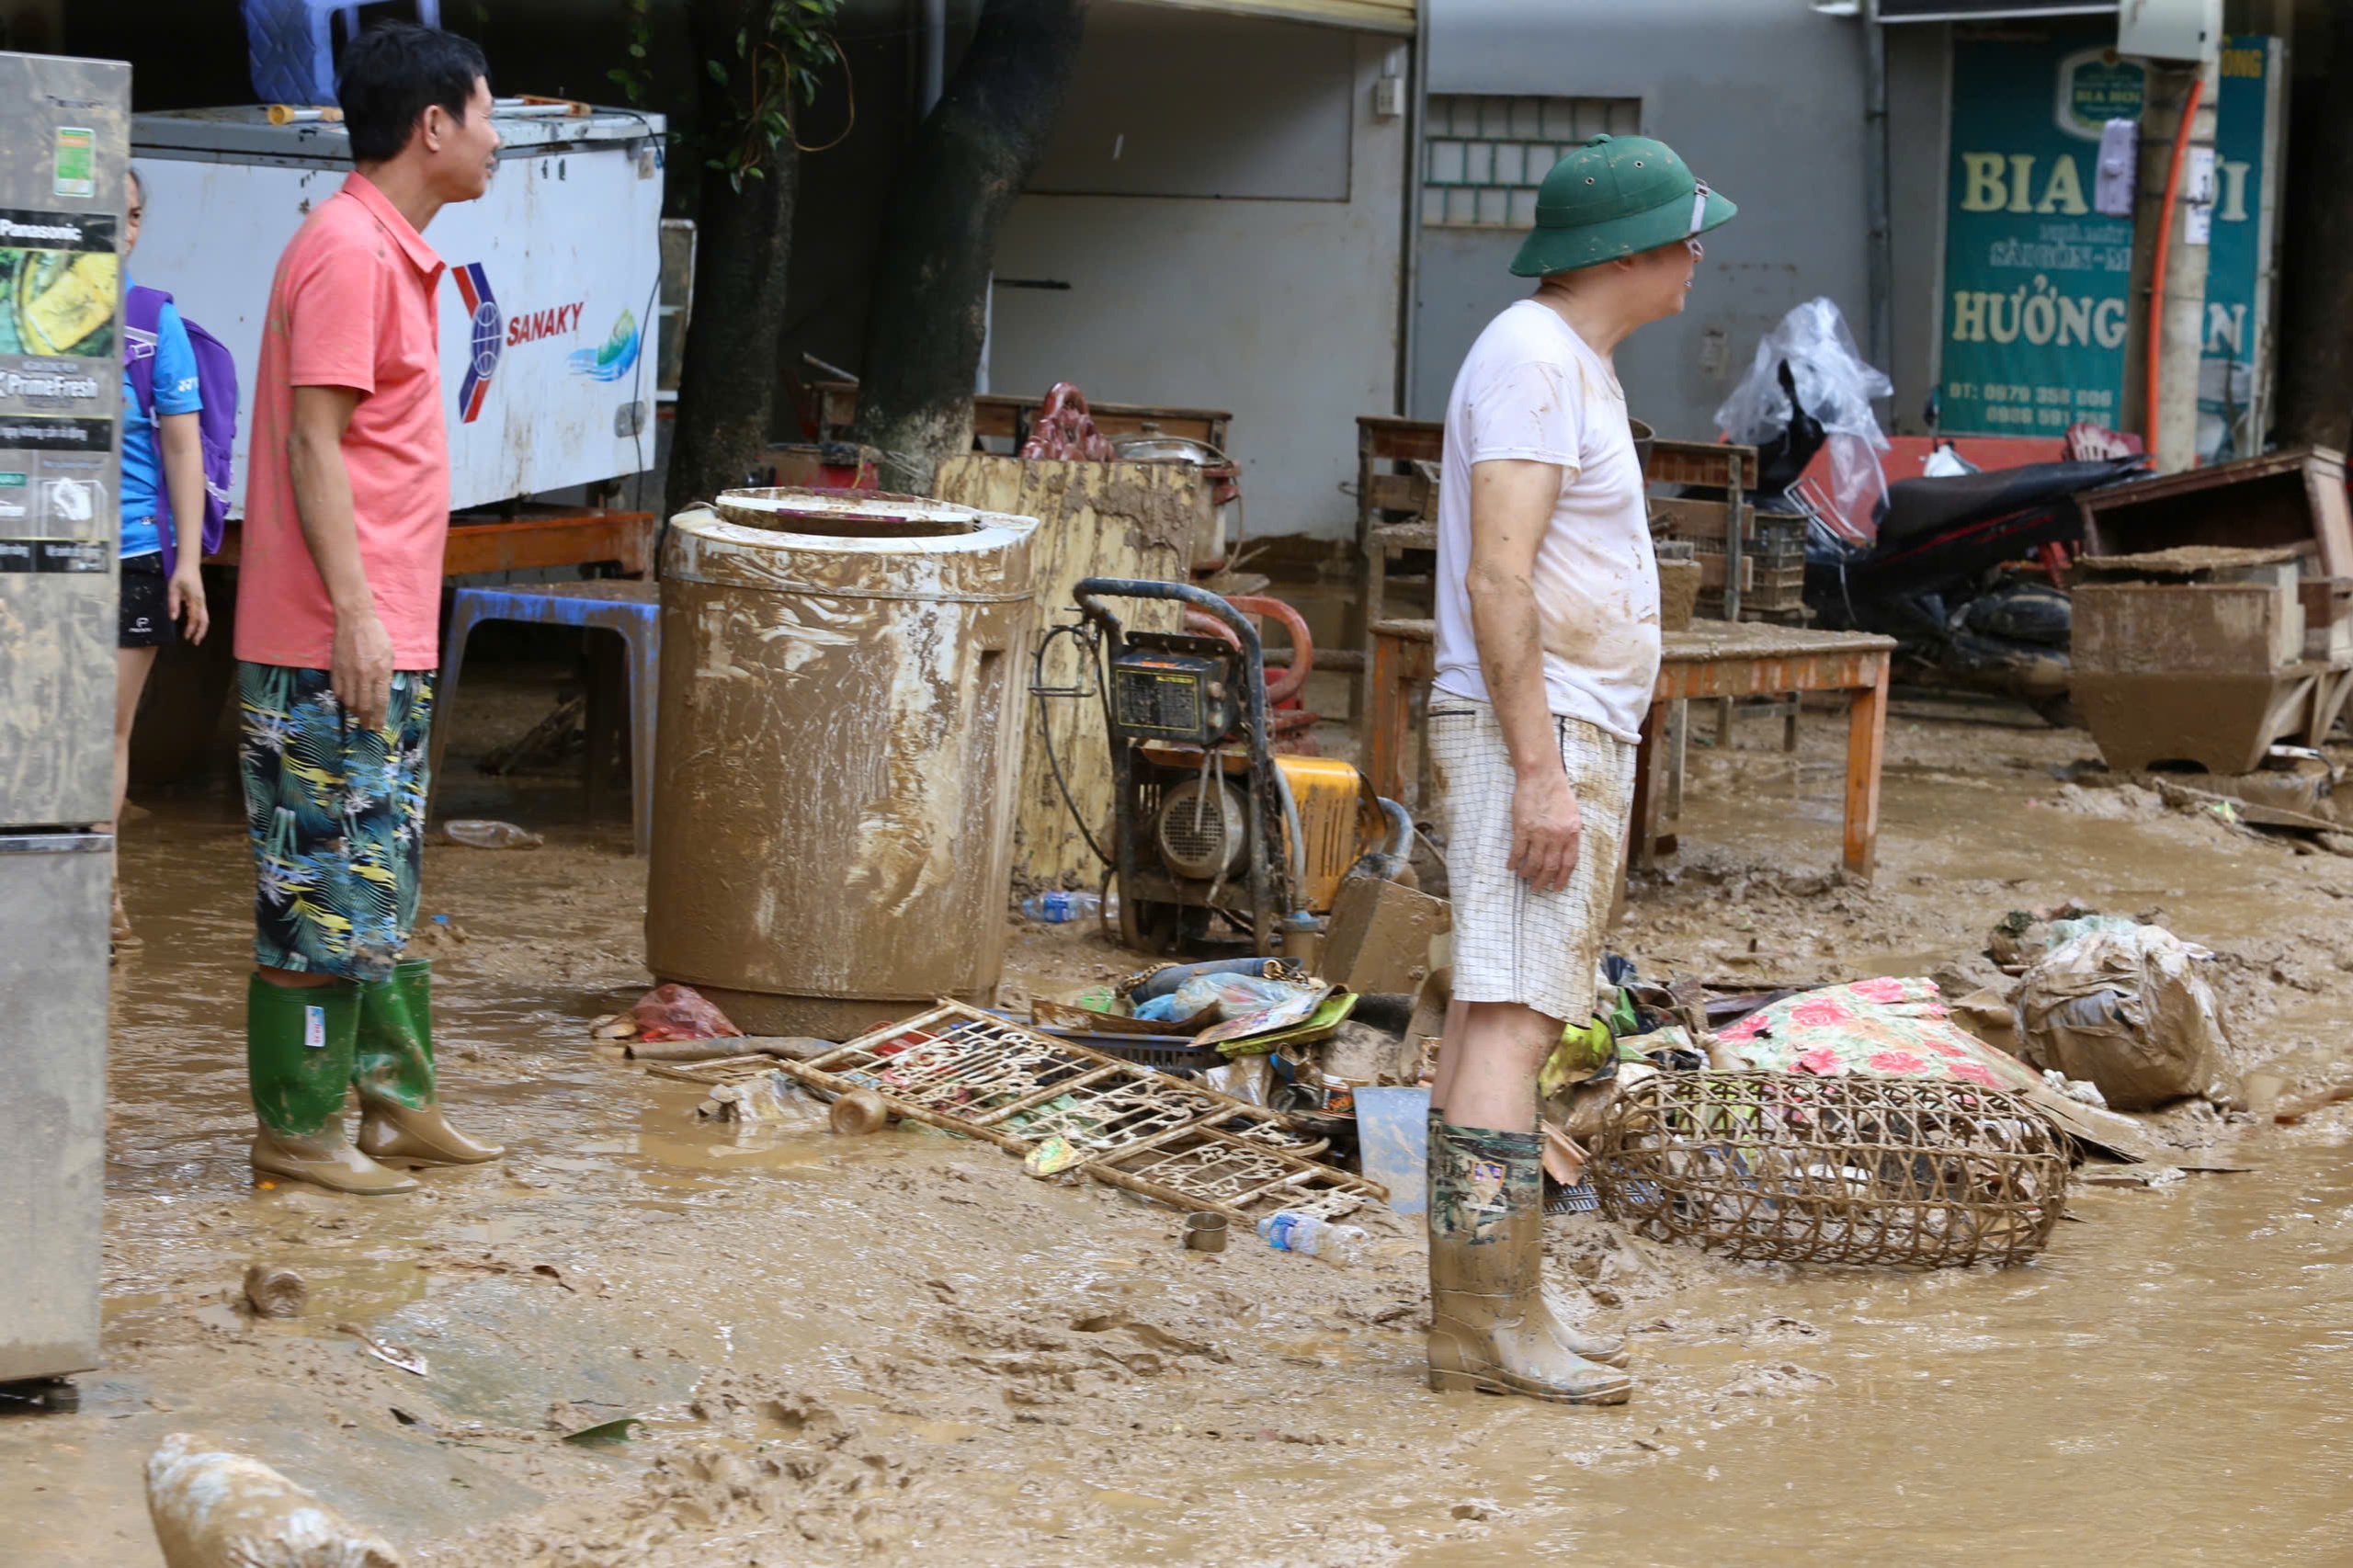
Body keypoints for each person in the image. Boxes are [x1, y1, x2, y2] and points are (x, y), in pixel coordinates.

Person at [1423, 135, 1735, 1404]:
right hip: (1534, 726)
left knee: (1499, 1011)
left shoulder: (1572, 362)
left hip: (1560, 721)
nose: (1698, 255)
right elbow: (1499, 577)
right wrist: (1540, 771)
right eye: (1684, 235)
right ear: (1624, 251)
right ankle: (1488, 1325)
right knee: (1513, 1017)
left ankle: (1490, 1311)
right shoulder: (1534, 359)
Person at [233, 22, 504, 1194]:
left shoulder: (385, 249)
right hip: (329, 635)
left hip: (373, 627)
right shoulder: (349, 250)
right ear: (432, 125)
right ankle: (298, 1126)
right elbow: (313, 442)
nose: (496, 141)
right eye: (486, 116)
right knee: (318, 890)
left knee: (376, 874)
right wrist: (351, 613)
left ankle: (396, 1103)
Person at [111, 166, 210, 952]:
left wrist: (188, 565)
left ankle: (99, 887)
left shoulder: (153, 322)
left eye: (134, 215)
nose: (124, 229)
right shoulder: (14, 314)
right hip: (27, 558)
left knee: (105, 736)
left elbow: (182, 447)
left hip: (133, 553)